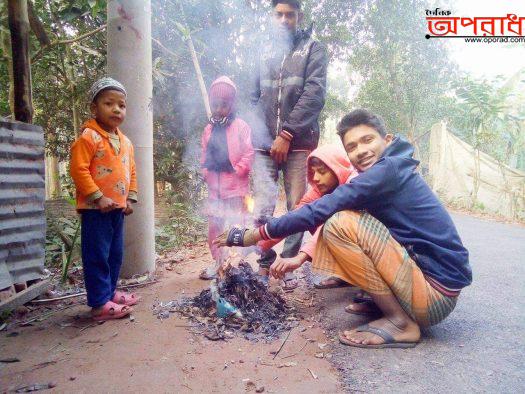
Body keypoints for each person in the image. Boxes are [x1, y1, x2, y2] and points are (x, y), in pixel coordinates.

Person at [215, 109, 472, 349]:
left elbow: (321, 212)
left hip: (434, 296)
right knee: (338, 220)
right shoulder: (385, 171)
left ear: (387, 139)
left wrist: (251, 235)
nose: (361, 151)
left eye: (367, 140)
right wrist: (263, 243)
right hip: (427, 285)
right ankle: (387, 305)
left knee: (339, 224)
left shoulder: (387, 170)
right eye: (352, 146)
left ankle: (400, 322)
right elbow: (306, 209)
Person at [249, 0, 328, 283]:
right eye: (279, 14)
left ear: (299, 16)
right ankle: (264, 259)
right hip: (262, 144)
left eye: (290, 15)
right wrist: (259, 131)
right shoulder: (261, 50)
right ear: (272, 16)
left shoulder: (313, 49)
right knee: (262, 205)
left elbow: (314, 95)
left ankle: (285, 264)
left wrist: (286, 133)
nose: (284, 20)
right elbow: (252, 95)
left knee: (298, 205)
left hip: (298, 142)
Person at [70, 77, 140, 321]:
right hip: (95, 209)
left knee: (114, 254)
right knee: (97, 254)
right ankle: (100, 304)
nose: (116, 109)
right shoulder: (89, 137)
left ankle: (109, 293)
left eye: (121, 105)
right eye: (109, 103)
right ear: (94, 108)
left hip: (117, 209)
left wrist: (129, 198)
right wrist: (98, 198)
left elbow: (131, 170)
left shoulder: (126, 142)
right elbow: (78, 170)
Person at [257, 144, 358, 291]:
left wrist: (300, 258)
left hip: (380, 246)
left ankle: (373, 287)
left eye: (322, 172)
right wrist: (258, 243)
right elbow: (295, 218)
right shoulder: (318, 191)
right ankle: (347, 275)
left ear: (338, 169)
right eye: (313, 172)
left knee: (334, 223)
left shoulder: (352, 184)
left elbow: (331, 225)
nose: (316, 178)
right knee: (306, 219)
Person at [199, 76, 254, 280]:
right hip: (215, 190)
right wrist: (205, 173)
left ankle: (235, 263)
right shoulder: (208, 129)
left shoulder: (241, 126)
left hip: (236, 188)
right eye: (215, 104)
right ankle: (218, 262)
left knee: (236, 226)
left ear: (231, 105)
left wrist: (238, 170)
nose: (219, 109)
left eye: (224, 104)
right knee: (215, 228)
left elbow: (249, 153)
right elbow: (204, 155)